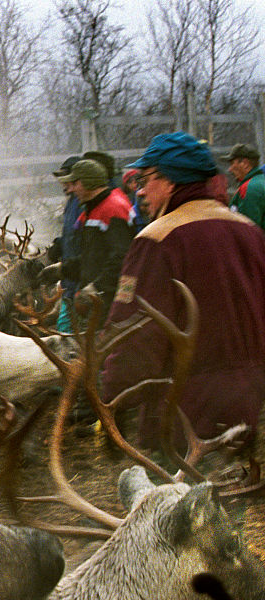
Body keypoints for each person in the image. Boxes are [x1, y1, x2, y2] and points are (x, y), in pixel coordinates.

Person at [100, 131, 265, 450]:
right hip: (246, 409)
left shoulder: (157, 241)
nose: (141, 191)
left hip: (179, 422)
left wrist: (112, 398)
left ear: (172, 179)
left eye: (145, 179)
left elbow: (134, 337)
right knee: (233, 496)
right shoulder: (251, 232)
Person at [43, 159, 134, 316]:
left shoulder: (113, 209)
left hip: (111, 304)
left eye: (75, 184)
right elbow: (93, 257)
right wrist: (64, 270)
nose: (71, 189)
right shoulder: (95, 208)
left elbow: (124, 259)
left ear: (88, 183)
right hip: (100, 301)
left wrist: (97, 288)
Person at [48, 156, 84, 332]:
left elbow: (82, 240)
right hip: (70, 279)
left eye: (65, 179)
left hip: (77, 279)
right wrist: (60, 244)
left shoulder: (81, 203)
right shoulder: (72, 202)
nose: (62, 184)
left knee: (67, 330)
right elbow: (72, 234)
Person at [224, 143, 265, 231]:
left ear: (245, 163)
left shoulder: (250, 188)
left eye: (232, 163)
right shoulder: (260, 181)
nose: (230, 169)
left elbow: (249, 231)